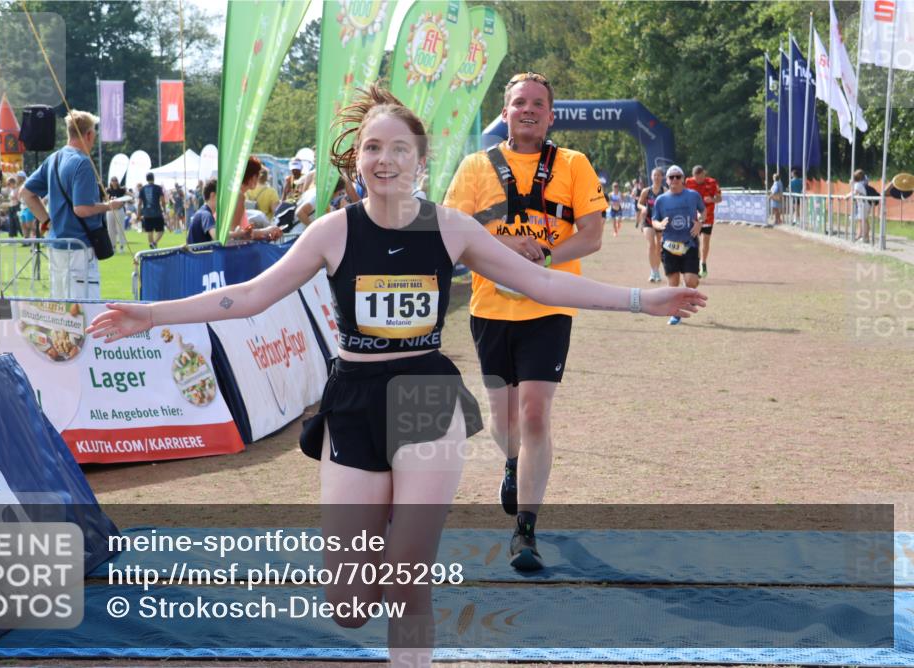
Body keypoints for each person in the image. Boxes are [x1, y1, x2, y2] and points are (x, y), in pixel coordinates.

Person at [87, 85, 705, 665]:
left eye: (399, 149)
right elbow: (249, 296)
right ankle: (385, 530)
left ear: (419, 161)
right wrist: (148, 313)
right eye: (373, 148)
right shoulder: (332, 231)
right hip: (352, 401)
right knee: (351, 608)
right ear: (357, 160)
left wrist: (639, 300)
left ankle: (406, 556)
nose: (385, 160)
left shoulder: (449, 227)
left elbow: (541, 281)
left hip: (423, 394)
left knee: (409, 584)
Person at [443, 72, 612, 571]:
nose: (530, 110)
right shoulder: (475, 167)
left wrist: (543, 259)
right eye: (520, 103)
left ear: (551, 114)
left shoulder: (574, 165)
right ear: (506, 112)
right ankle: (512, 464)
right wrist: (503, 251)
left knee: (535, 413)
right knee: (504, 420)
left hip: (551, 306)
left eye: (539, 103)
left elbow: (593, 235)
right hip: (490, 309)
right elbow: (454, 232)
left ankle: (526, 530)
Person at [21, 109, 125, 299]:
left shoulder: (53, 159)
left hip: (56, 244)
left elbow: (26, 193)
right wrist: (110, 206)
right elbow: (82, 209)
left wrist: (47, 222)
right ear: (88, 134)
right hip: (79, 247)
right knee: (83, 310)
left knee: (61, 309)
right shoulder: (82, 163)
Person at [652, 165, 704, 325]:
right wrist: (659, 225)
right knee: (673, 283)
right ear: (666, 181)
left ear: (683, 179)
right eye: (671, 177)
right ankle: (675, 313)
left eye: (677, 177)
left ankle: (688, 292)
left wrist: (699, 223)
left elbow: (703, 211)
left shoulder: (693, 196)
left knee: (691, 281)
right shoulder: (661, 200)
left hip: (689, 244)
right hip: (669, 246)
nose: (674, 180)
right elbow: (654, 219)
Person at [228, 156, 283, 243]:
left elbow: (243, 234)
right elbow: (236, 235)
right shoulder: (239, 196)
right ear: (253, 177)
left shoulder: (235, 194)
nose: (258, 179)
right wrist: (266, 231)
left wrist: (266, 234)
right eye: (258, 175)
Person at [684, 165, 721, 279]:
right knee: (695, 243)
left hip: (708, 217)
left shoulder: (712, 182)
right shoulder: (688, 182)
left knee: (705, 241)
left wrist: (712, 199)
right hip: (693, 218)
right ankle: (697, 265)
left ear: (704, 174)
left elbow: (719, 198)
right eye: (696, 178)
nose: (698, 180)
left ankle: (703, 263)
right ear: (693, 176)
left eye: (700, 177)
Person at [638, 167, 666, 282]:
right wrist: (643, 207)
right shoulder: (646, 191)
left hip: (659, 222)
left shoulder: (665, 191)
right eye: (654, 175)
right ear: (651, 177)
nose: (656, 177)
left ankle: (657, 271)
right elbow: (639, 204)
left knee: (659, 248)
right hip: (648, 221)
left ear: (662, 177)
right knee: (651, 245)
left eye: (658, 175)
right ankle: (653, 271)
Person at [137, 172, 166, 248]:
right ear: (153, 178)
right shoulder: (158, 188)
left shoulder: (142, 189)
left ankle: (152, 245)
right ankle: (154, 243)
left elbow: (139, 203)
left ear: (146, 179)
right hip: (157, 212)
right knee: (161, 230)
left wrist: (138, 214)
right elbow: (163, 200)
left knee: (149, 231)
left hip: (147, 213)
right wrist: (164, 209)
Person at [105, 175, 128, 252]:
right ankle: (113, 246)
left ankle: (122, 245)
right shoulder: (108, 190)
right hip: (110, 210)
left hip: (119, 210)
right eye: (113, 181)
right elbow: (106, 199)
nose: (114, 182)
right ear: (111, 182)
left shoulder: (121, 190)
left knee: (120, 228)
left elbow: (127, 197)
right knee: (110, 228)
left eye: (115, 181)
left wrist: (121, 203)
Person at [852, 169, 873, 243]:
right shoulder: (861, 183)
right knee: (864, 220)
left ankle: (865, 238)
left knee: (864, 221)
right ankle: (865, 237)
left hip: (863, 204)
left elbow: (855, 193)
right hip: (864, 204)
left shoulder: (857, 184)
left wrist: (846, 196)